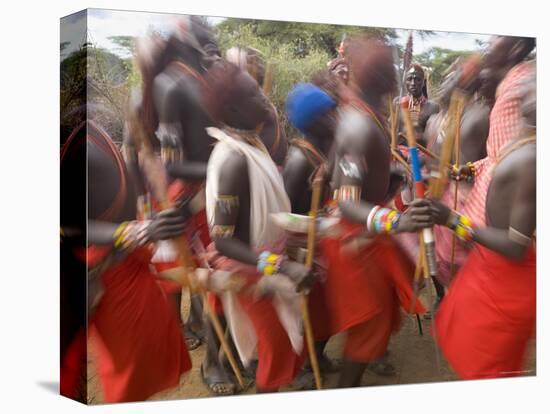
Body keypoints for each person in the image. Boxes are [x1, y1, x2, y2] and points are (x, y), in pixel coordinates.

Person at [318, 37, 429, 387]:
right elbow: (348, 200)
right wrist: (395, 220)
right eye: (390, 71)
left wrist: (391, 175)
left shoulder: (368, 113)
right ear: (379, 79)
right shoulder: (358, 124)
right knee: (369, 326)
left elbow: (359, 175)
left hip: (366, 234)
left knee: (374, 323)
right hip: (357, 240)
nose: (398, 78)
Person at [61, 110, 192, 403]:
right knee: (128, 373)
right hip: (105, 280)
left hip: (129, 269)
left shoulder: (98, 142)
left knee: (148, 354)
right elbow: (66, 227)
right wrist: (132, 231)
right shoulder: (82, 157)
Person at [203, 62, 315, 393]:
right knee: (278, 349)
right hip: (250, 271)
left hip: (264, 263)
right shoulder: (234, 159)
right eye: (254, 94)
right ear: (233, 109)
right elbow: (222, 241)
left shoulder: (253, 144)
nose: (265, 99)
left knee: (282, 347)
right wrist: (281, 265)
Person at [429, 68, 536, 379]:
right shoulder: (524, 139)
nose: (527, 85)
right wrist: (467, 171)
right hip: (490, 270)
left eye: (535, 84)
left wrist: (452, 219)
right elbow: (495, 163)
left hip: (506, 280)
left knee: (487, 369)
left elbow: (516, 247)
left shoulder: (532, 158)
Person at [226, 46, 288, 166]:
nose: (260, 67)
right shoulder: (246, 104)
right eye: (253, 62)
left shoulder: (259, 99)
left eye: (259, 62)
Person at [394, 64, 439, 146]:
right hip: (399, 154)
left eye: (417, 79)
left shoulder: (433, 107)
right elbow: (391, 129)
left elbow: (434, 138)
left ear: (424, 82)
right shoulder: (398, 102)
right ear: (405, 82)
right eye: (409, 79)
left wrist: (419, 137)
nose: (413, 83)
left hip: (421, 154)